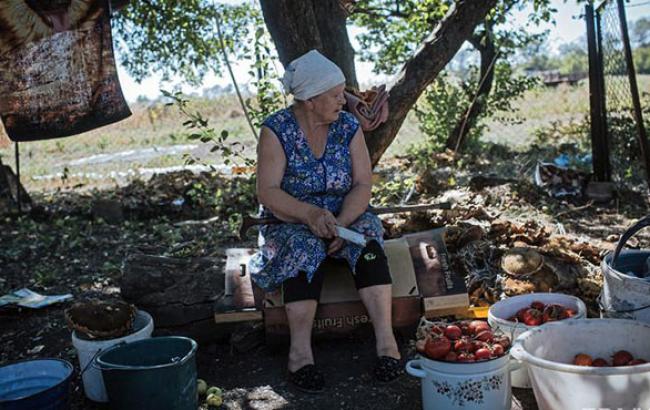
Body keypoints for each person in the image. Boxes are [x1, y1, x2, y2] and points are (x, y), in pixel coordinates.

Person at [248, 50, 403, 393]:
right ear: (310, 99)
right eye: (335, 95)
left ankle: (387, 345)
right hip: (291, 218)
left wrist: (344, 222)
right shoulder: (276, 130)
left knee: (367, 239)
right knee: (304, 247)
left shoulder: (348, 127)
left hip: (345, 212)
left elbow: (363, 184)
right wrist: (309, 214)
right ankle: (299, 355)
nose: (342, 101)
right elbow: (268, 192)